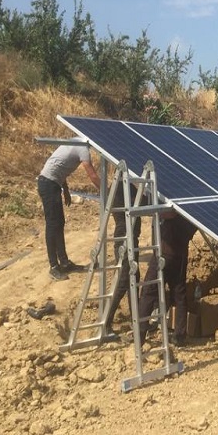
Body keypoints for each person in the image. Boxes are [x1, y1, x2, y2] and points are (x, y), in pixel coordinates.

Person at [37, 138, 101, 281]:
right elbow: (92, 175)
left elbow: (60, 165)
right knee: (53, 225)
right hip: (48, 183)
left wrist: (65, 190)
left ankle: (65, 263)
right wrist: (108, 193)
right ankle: (54, 267)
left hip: (52, 183)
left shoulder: (75, 142)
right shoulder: (82, 148)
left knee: (59, 223)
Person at [138, 211, 197, 347]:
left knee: (148, 292)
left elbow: (168, 213)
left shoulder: (175, 202)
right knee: (179, 294)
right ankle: (180, 336)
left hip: (164, 254)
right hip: (180, 254)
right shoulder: (194, 205)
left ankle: (140, 335)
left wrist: (157, 208)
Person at [102, 183, 144, 339]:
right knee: (123, 280)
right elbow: (143, 201)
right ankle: (106, 323)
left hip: (130, 237)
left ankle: (136, 319)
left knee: (134, 277)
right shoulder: (123, 186)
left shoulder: (119, 185)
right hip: (125, 238)